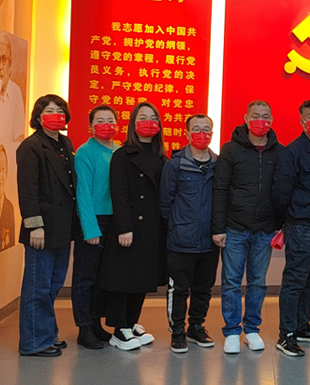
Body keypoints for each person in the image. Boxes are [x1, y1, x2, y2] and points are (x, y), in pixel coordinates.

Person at [212, 100, 282, 355]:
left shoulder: (279, 151)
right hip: (234, 228)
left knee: (258, 282)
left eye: (265, 116)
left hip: (265, 229)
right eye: (256, 115)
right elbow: (220, 189)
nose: (261, 120)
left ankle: (251, 329)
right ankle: (232, 331)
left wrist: (281, 225)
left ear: (271, 119)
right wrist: (218, 227)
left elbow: (283, 189)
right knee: (231, 281)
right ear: (246, 117)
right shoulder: (231, 149)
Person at [98, 102, 168, 351]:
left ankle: (131, 321)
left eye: (153, 118)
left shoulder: (161, 156)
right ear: (133, 124)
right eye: (143, 117)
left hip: (152, 227)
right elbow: (119, 194)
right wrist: (124, 227)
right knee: (123, 278)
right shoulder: (122, 155)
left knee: (142, 278)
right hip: (130, 227)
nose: (148, 122)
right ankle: (119, 328)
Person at [16, 95, 77, 357]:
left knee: (53, 284)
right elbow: (28, 190)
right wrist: (34, 226)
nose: (56, 115)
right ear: (38, 116)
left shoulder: (65, 143)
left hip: (62, 226)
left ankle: (47, 333)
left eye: (60, 110)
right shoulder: (30, 146)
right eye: (49, 111)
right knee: (37, 286)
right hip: (41, 228)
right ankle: (33, 343)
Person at [272, 100, 310, 357]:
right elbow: (281, 192)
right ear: (302, 121)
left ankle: (302, 326)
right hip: (301, 225)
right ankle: (286, 334)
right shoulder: (292, 152)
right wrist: (286, 221)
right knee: (295, 280)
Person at [161, 114, 220, 354]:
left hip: (209, 241)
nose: (201, 134)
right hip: (181, 241)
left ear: (212, 134)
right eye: (196, 129)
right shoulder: (174, 165)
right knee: (179, 289)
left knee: (204, 288)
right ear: (187, 134)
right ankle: (177, 331)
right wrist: (179, 226)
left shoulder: (219, 165)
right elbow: (165, 204)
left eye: (206, 130)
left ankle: (196, 327)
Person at [71, 105, 118, 350]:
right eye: (100, 120)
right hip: (94, 221)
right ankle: (84, 328)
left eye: (110, 120)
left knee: (103, 278)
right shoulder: (84, 153)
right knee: (85, 277)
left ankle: (97, 323)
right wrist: (90, 229)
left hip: (114, 221)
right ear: (91, 126)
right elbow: (84, 194)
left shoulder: (119, 151)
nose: (106, 125)